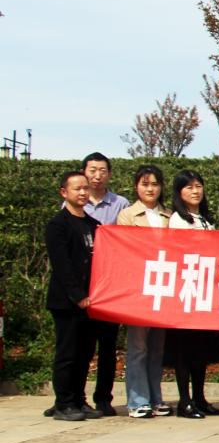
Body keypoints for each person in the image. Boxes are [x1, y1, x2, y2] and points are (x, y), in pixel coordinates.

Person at [167, 170, 219, 418]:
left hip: (206, 290)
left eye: (198, 186)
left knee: (201, 349)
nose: (195, 191)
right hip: (186, 290)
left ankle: (200, 397)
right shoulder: (177, 220)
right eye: (189, 187)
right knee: (184, 349)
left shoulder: (205, 219)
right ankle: (185, 400)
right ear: (179, 192)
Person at [116, 165, 171, 418]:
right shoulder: (127, 215)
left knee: (157, 347)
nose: (150, 189)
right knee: (138, 347)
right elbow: (125, 250)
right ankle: (137, 400)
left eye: (155, 184)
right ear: (136, 187)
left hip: (164, 286)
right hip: (139, 287)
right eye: (145, 184)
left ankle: (155, 397)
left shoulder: (169, 216)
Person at [45, 171, 100, 421]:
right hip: (66, 302)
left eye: (85, 188)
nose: (83, 192)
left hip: (90, 302)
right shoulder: (58, 225)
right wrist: (77, 295)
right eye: (77, 188)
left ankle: (78, 399)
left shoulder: (93, 224)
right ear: (64, 192)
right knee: (67, 353)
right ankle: (63, 403)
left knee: (84, 353)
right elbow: (62, 265)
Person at [80, 152, 128, 415]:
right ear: (84, 173)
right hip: (84, 284)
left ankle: (103, 398)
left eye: (102, 170)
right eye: (92, 170)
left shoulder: (120, 204)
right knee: (80, 346)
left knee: (108, 346)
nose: (97, 175)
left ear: (109, 174)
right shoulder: (75, 203)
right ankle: (74, 397)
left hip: (111, 284)